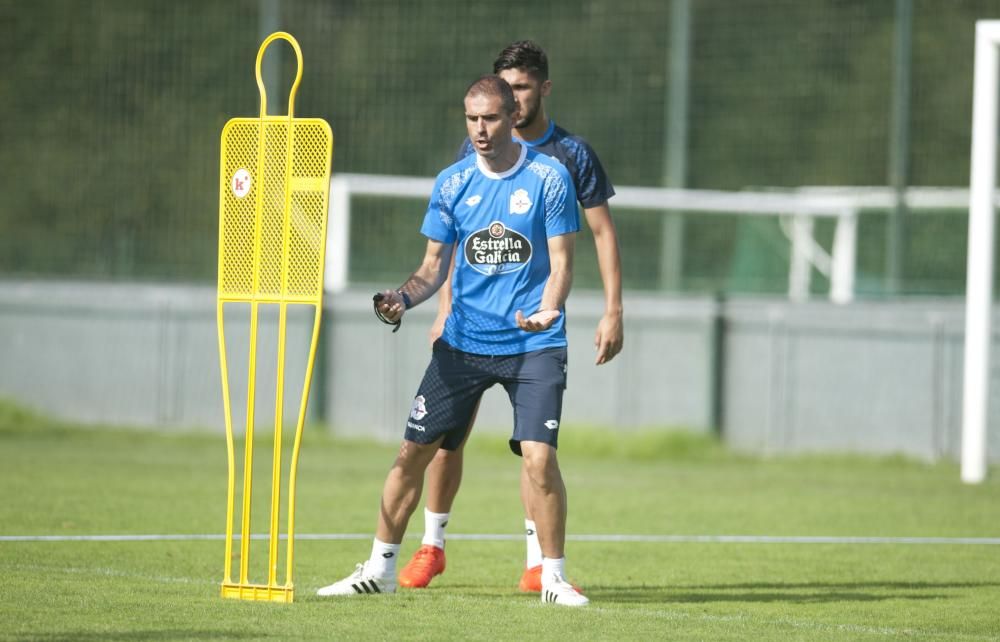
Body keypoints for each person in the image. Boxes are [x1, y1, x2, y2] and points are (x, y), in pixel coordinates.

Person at [317, 74, 589, 607]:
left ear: (513, 116)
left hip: (533, 344)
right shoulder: (451, 182)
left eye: (490, 118)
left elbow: (562, 263)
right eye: (471, 118)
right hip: (462, 345)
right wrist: (401, 298)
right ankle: (378, 568)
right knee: (410, 453)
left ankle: (553, 577)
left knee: (538, 457)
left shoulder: (549, 178)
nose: (480, 129)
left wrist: (548, 308)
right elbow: (431, 268)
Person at [398, 40, 622, 593]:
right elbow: (460, 240)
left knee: (534, 450)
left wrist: (613, 310)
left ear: (543, 88)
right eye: (506, 90)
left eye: (522, 88)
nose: (512, 101)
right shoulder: (473, 149)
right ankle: (432, 547)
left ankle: (536, 562)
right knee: (446, 439)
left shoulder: (569, 157)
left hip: (530, 334)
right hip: (470, 328)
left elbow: (600, 235)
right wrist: (443, 307)